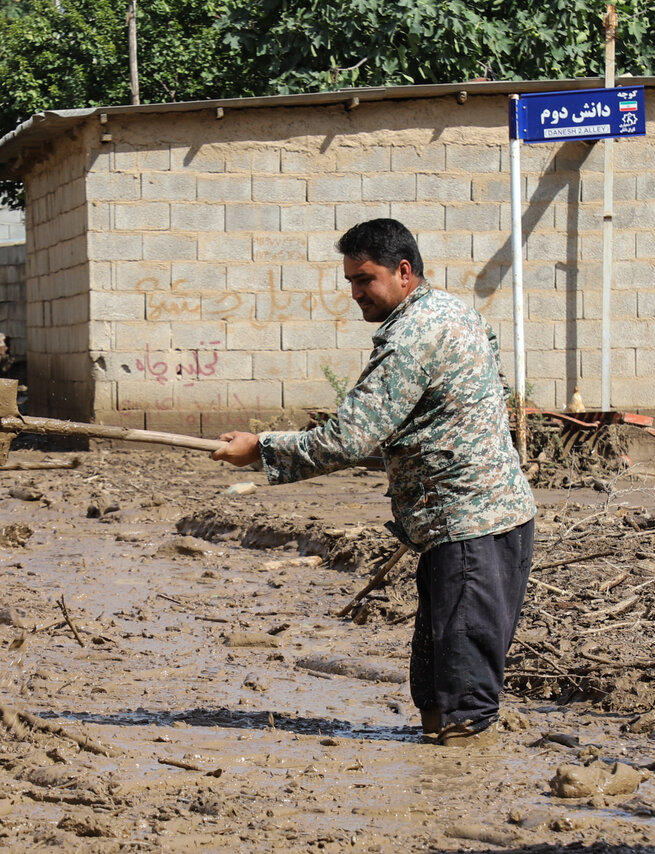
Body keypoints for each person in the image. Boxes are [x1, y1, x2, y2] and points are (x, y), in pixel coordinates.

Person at [212, 218, 536, 747]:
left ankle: (466, 786)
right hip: (470, 521)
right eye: (350, 283)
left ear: (403, 272)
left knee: (464, 696)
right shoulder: (454, 312)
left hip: (469, 527)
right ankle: (439, 784)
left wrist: (260, 450)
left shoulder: (411, 336)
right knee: (436, 684)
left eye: (365, 280)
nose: (356, 294)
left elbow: (349, 438)